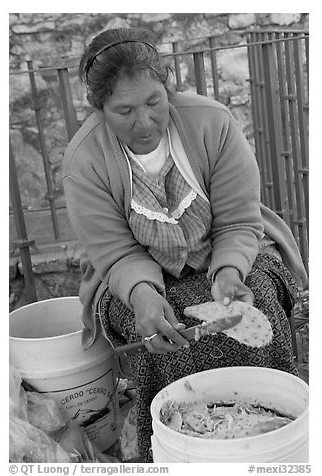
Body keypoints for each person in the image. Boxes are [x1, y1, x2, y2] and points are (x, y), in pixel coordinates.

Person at [62, 27, 308, 461]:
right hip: (131, 278)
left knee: (259, 305)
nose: (144, 122)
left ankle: (271, 442)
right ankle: (183, 452)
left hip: (228, 254)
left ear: (167, 87)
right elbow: (116, 252)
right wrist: (143, 297)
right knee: (169, 338)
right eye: (124, 111)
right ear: (99, 108)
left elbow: (237, 220)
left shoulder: (211, 123)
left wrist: (230, 272)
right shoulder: (86, 161)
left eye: (154, 102)